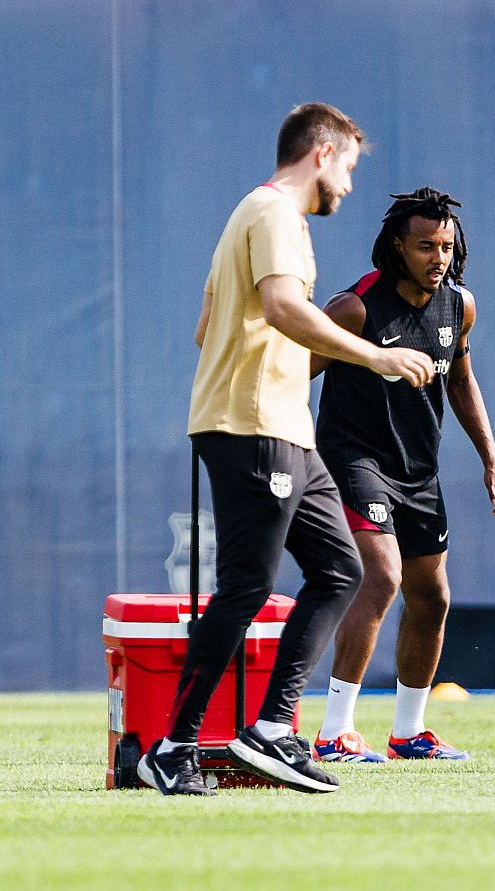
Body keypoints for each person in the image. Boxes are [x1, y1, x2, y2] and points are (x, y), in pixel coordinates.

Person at [141, 103, 436, 796]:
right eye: (351, 170)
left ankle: (272, 729)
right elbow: (279, 307)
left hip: (286, 431)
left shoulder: (263, 219)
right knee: (247, 587)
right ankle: (173, 746)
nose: (351, 188)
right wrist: (375, 356)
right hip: (250, 427)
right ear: (323, 155)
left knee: (340, 570)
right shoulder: (272, 212)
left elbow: (207, 327)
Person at [310, 187, 495, 763]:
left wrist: (491, 458)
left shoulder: (459, 306)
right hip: (355, 460)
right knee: (381, 577)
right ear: (397, 246)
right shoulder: (354, 308)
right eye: (425, 246)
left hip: (419, 472)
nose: (438, 258)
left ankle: (408, 732)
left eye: (446, 246)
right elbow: (293, 372)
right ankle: (333, 733)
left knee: (433, 597)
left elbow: (460, 381)